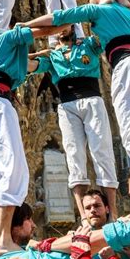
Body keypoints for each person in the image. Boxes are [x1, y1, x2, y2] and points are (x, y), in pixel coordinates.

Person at [20, 0, 130, 204]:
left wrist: (21, 29)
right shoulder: (126, 12)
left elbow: (59, 17)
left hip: (119, 74)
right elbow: (34, 63)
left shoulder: (92, 27)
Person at [0, 21, 61, 256]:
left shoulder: (11, 62)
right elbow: (40, 31)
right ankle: (3, 238)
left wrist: (54, 56)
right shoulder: (3, 40)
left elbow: (36, 64)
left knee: (3, 173)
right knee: (14, 170)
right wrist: (64, 24)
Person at [30, 27, 118, 219]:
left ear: (73, 27)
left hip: (92, 99)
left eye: (66, 24)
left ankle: (113, 213)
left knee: (102, 152)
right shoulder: (53, 56)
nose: (62, 29)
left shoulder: (88, 45)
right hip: (67, 104)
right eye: (57, 27)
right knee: (73, 155)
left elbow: (107, 34)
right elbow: (29, 65)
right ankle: (84, 216)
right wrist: (33, 50)